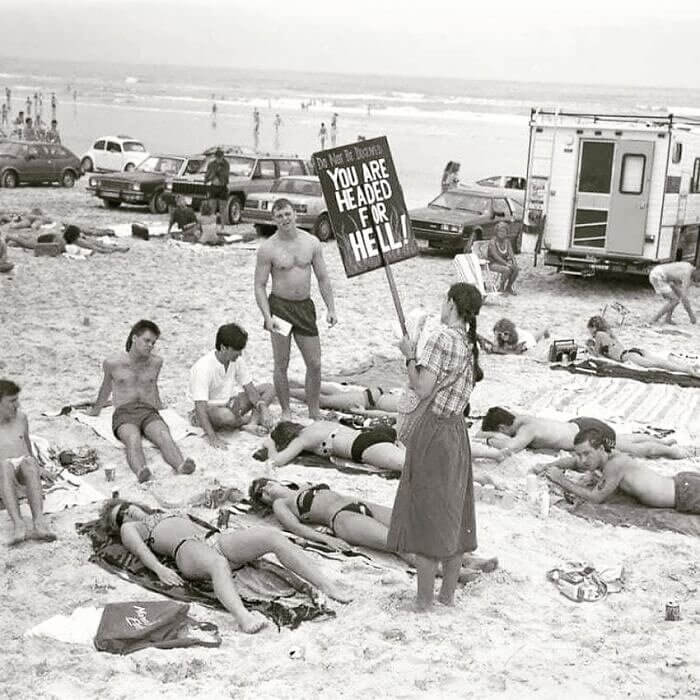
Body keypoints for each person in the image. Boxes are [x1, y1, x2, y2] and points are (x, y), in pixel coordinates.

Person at [99, 498, 352, 634]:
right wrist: (159, 569)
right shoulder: (130, 528)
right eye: (119, 516)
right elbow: (141, 551)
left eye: (125, 508)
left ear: (133, 502)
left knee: (272, 537)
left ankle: (327, 585)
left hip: (215, 539)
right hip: (186, 549)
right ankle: (243, 617)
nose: (126, 514)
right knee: (218, 564)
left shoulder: (161, 510)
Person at [387, 283, 484, 611]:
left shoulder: (443, 337)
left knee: (427, 512)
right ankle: (447, 597)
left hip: (435, 432)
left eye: (445, 300)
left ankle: (424, 601)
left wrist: (409, 355)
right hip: (456, 431)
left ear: (452, 304)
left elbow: (423, 386)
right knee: (454, 513)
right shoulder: (468, 341)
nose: (441, 305)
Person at [249, 478, 498, 578]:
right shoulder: (282, 504)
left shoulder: (302, 484)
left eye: (265, 484)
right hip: (341, 519)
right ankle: (453, 573)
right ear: (265, 501)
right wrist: (326, 540)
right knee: (398, 543)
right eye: (261, 494)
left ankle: (468, 560)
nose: (266, 489)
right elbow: (296, 529)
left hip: (359, 504)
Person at [254, 198, 337, 420]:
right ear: (273, 219)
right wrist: (267, 315)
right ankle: (286, 410)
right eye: (279, 216)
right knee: (281, 363)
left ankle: (313, 409)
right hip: (279, 309)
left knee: (315, 363)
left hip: (304, 309)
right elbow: (259, 285)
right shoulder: (267, 248)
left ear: (295, 215)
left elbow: (323, 278)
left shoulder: (311, 243)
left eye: (287, 214)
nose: (284, 219)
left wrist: (331, 308)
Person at [88, 320, 196, 482]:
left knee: (163, 435)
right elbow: (106, 388)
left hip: (147, 410)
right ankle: (142, 472)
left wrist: (160, 408)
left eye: (153, 342)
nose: (150, 345)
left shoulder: (156, 362)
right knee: (133, 439)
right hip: (124, 412)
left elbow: (152, 385)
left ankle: (180, 466)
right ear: (134, 338)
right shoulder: (113, 363)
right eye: (147, 340)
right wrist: (95, 411)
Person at [544, 427, 700, 514]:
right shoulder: (608, 455)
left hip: (685, 494)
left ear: (599, 449)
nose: (582, 460)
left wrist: (561, 480)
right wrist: (550, 465)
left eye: (586, 454)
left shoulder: (615, 465)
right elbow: (576, 463)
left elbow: (595, 498)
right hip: (682, 485)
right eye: (578, 454)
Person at [480, 406, 686, 460]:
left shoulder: (526, 429)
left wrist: (488, 441)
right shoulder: (520, 418)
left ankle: (674, 452)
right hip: (580, 424)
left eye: (500, 433)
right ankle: (664, 442)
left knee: (635, 450)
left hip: (588, 433)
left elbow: (509, 449)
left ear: (502, 428)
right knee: (623, 439)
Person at [189, 323, 275, 449]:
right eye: (237, 350)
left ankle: (251, 423)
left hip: (230, 403)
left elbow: (251, 391)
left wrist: (263, 408)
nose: (240, 354)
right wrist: (213, 438)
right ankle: (244, 422)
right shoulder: (203, 367)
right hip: (207, 410)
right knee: (226, 416)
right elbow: (200, 407)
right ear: (224, 348)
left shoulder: (236, 361)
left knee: (269, 388)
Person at [0, 380, 56, 545]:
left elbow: (26, 444)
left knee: (30, 462)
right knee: (4, 466)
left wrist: (39, 468)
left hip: (19, 469)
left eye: (17, 399)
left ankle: (39, 522)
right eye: (12, 401)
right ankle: (18, 525)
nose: (17, 405)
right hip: (2, 472)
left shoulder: (21, 418)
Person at [586, 315, 700, 376]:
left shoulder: (599, 335)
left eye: (590, 329)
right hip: (632, 351)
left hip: (627, 357)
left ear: (594, 328)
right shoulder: (609, 334)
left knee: (659, 364)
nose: (590, 332)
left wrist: (589, 347)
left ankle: (688, 370)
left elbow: (596, 355)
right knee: (661, 361)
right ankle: (688, 367)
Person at [6, 224, 129, 255]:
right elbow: (95, 247)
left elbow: (95, 245)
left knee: (30, 241)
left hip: (50, 237)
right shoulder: (68, 241)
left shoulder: (73, 239)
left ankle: (12, 239)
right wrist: (114, 250)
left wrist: (115, 249)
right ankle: (10, 237)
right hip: (49, 239)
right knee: (29, 244)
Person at [480, 318, 549, 354]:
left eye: (505, 334)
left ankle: (545, 329)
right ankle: (544, 330)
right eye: (500, 334)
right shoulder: (500, 334)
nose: (502, 336)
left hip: (527, 339)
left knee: (535, 338)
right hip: (522, 333)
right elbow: (496, 345)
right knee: (536, 335)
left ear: (510, 332)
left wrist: (498, 350)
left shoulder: (519, 338)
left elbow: (516, 352)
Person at [487, 222, 519, 294]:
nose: (502, 233)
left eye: (504, 231)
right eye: (500, 231)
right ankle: (501, 288)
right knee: (507, 270)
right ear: (496, 232)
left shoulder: (507, 241)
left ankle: (508, 287)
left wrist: (514, 263)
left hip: (503, 263)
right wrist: (506, 264)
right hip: (492, 263)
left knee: (516, 269)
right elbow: (496, 256)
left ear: (507, 232)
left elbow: (511, 254)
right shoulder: (492, 242)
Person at [203, 149, 230, 229]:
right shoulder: (211, 164)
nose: (219, 159)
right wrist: (208, 178)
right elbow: (208, 174)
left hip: (222, 187)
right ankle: (213, 226)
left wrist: (218, 171)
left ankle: (222, 226)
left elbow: (225, 175)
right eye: (217, 157)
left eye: (220, 158)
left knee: (222, 208)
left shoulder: (226, 164)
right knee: (212, 208)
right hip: (213, 186)